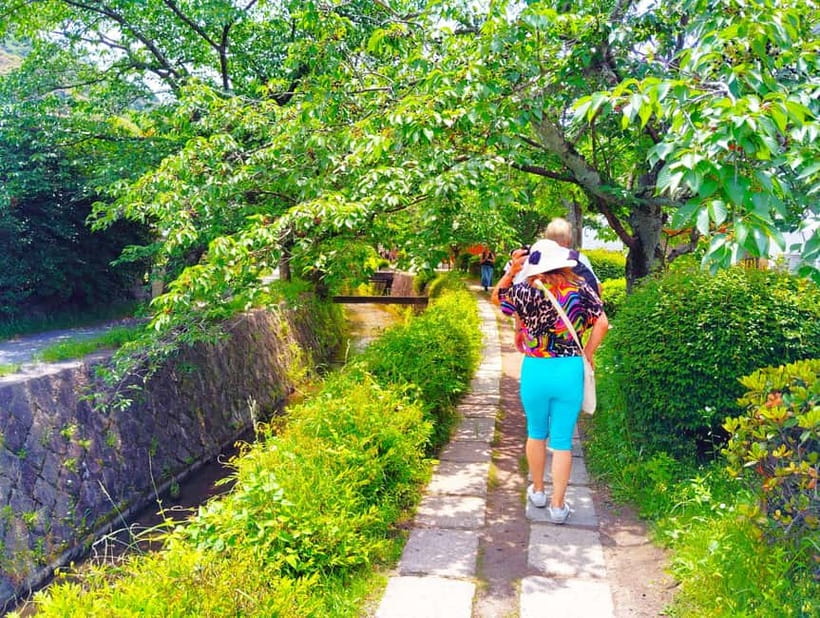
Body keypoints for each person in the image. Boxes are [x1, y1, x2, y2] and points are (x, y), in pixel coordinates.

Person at [491, 239, 609, 523]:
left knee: (536, 433)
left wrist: (510, 271)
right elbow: (602, 323)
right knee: (562, 441)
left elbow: (498, 298)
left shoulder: (524, 290)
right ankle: (558, 506)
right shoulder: (580, 289)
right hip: (569, 369)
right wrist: (588, 354)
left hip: (536, 368)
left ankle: (539, 491)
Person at [545, 218, 602, 296]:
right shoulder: (579, 258)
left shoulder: (535, 261)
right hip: (576, 306)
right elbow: (597, 288)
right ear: (569, 239)